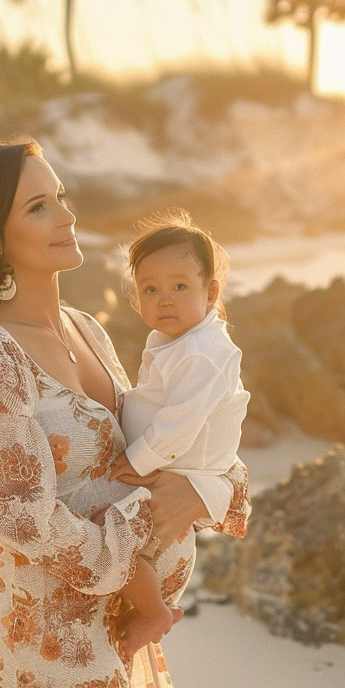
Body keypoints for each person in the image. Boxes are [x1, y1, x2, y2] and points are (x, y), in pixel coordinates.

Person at [0, 140, 251, 688]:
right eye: (39, 207)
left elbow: (184, 433)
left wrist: (206, 495)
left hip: (113, 634)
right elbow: (10, 510)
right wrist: (133, 544)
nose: (67, 216)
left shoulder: (88, 329)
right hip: (48, 651)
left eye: (61, 198)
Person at [107, 212, 250, 652]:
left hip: (184, 469)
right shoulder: (175, 341)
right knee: (124, 548)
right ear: (136, 299)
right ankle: (151, 609)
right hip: (177, 470)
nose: (164, 299)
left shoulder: (205, 352)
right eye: (151, 289)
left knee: (120, 547)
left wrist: (137, 458)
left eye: (179, 287)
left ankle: (155, 613)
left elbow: (180, 423)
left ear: (211, 292)